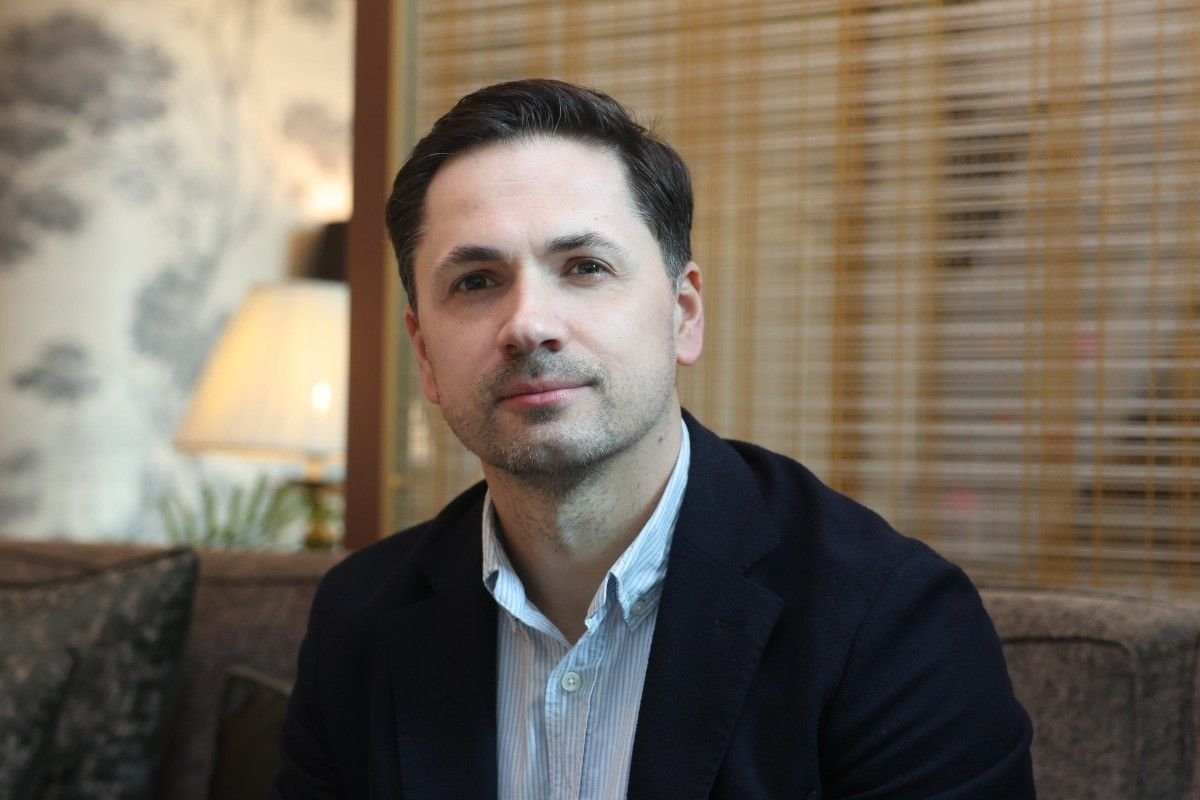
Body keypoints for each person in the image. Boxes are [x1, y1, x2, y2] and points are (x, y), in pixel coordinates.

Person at [272, 78, 1035, 799]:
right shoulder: (357, 624)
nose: (528, 323)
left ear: (683, 314)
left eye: (584, 267)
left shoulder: (892, 623)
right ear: (423, 354)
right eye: (476, 281)